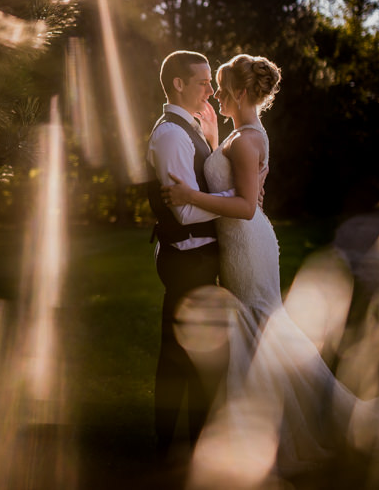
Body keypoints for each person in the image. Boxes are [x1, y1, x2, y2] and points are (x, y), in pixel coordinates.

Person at [160, 54, 379, 479]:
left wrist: (190, 197)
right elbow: (241, 190)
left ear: (241, 93)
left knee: (259, 324)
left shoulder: (245, 140)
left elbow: (246, 207)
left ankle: (270, 429)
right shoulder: (242, 135)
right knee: (260, 330)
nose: (216, 97)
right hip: (244, 242)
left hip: (247, 244)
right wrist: (212, 140)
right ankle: (258, 425)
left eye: (223, 90)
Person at [144, 50, 228, 463]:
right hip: (187, 258)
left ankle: (184, 441)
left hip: (195, 256)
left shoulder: (188, 127)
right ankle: (179, 446)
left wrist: (212, 141)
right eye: (203, 82)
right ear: (178, 83)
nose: (210, 90)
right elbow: (186, 210)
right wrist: (238, 201)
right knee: (187, 355)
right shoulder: (172, 135)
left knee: (189, 354)